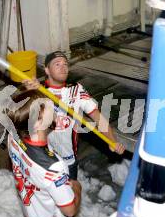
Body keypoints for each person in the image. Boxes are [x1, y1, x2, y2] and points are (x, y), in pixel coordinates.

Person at [23, 51, 125, 180]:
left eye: (65, 64)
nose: (63, 67)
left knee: (72, 195)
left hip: (68, 159)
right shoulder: (37, 90)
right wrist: (30, 92)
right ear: (47, 70)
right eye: (57, 64)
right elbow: (26, 122)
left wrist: (112, 141)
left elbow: (99, 118)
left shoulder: (76, 90)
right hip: (43, 158)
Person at [6, 91, 82, 217]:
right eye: (48, 106)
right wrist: (77, 187)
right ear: (38, 122)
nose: (52, 105)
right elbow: (70, 210)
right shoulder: (53, 167)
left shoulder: (13, 137)